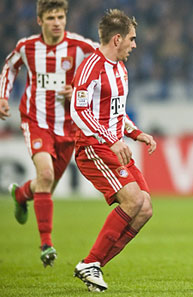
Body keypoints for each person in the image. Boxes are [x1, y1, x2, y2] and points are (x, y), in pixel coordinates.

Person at [0, 0, 97, 267]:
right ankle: (46, 245)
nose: (57, 22)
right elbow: (9, 68)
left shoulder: (81, 46)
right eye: (51, 17)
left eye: (61, 17)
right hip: (36, 120)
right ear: (40, 21)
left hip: (68, 127)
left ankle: (21, 195)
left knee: (46, 186)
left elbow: (101, 68)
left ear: (66, 18)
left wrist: (79, 87)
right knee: (45, 175)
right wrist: (2, 97)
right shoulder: (26, 47)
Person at [70, 9, 156, 292]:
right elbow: (79, 110)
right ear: (117, 39)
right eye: (132, 39)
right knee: (132, 199)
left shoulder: (120, 69)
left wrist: (136, 133)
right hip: (93, 146)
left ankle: (92, 266)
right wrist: (112, 139)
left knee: (144, 208)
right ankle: (90, 263)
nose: (134, 45)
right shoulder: (90, 67)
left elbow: (117, 115)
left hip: (113, 145)